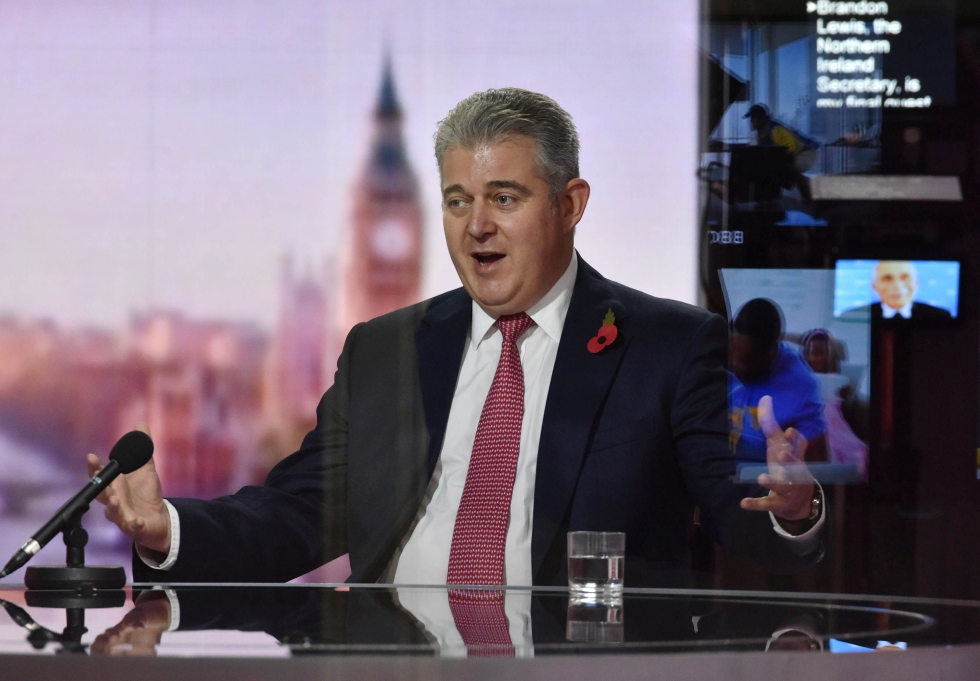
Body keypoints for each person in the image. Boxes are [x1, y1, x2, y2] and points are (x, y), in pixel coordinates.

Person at [89, 89, 824, 592]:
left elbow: (734, 510)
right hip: (390, 661)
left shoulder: (666, 342)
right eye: (456, 200)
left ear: (570, 205)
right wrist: (167, 527)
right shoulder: (384, 348)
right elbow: (300, 513)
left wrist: (791, 508)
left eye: (504, 198)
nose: (476, 227)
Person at [729, 298, 827, 465]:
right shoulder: (717, 358)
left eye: (747, 361)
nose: (735, 366)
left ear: (771, 351)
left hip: (764, 482)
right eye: (732, 356)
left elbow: (818, 471)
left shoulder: (802, 387)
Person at [800, 329, 867, 480]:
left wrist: (847, 397)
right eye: (814, 353)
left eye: (823, 353)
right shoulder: (799, 379)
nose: (819, 358)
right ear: (805, 357)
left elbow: (846, 419)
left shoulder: (839, 381)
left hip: (838, 431)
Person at [743, 104, 819, 202]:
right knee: (778, 168)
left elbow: (789, 151)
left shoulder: (775, 131)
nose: (751, 122)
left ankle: (809, 199)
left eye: (754, 118)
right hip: (797, 153)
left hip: (806, 153)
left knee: (791, 169)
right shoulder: (762, 133)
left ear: (761, 119)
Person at [869, 261, 952, 323]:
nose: (897, 285)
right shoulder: (858, 315)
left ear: (916, 283)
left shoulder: (939, 316)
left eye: (905, 277)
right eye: (887, 278)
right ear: (874, 286)